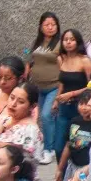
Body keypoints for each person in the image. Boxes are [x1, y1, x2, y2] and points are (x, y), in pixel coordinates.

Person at [50, 28, 91, 159]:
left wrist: (72, 94)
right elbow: (61, 82)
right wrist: (56, 100)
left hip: (80, 107)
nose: (68, 42)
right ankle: (61, 176)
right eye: (65, 40)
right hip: (64, 107)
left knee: (76, 144)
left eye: (72, 39)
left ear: (78, 42)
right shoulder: (60, 59)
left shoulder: (85, 60)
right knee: (58, 146)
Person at [26, 12, 63, 165]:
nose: (50, 27)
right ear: (41, 27)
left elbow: (63, 66)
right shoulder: (37, 43)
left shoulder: (60, 44)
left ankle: (49, 150)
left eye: (53, 24)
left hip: (54, 85)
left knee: (47, 116)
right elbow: (30, 59)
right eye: (46, 25)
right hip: (38, 86)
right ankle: (49, 145)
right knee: (44, 118)